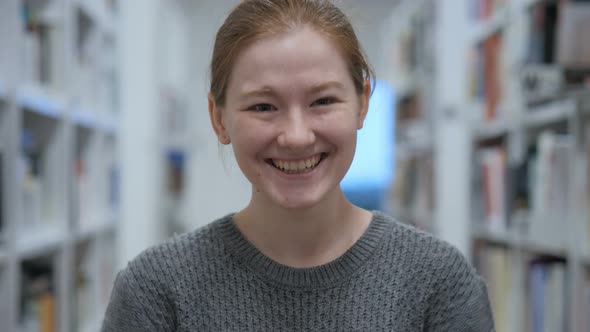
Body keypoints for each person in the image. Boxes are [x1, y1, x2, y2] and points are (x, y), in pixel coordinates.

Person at [101, 0, 495, 331]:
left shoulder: (438, 283)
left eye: (322, 101)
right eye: (263, 107)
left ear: (362, 103)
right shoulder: (155, 292)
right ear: (218, 118)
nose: (296, 136)